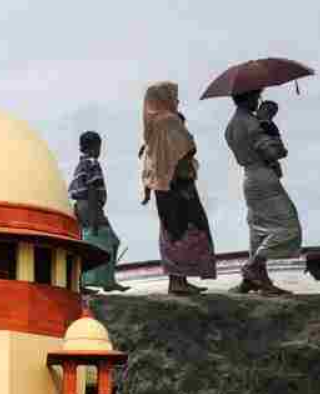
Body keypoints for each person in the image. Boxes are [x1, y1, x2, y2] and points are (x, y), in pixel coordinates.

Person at [140, 82, 216, 295]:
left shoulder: (152, 125)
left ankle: (177, 280)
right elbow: (186, 149)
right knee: (188, 228)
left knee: (171, 230)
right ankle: (178, 282)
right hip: (178, 185)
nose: (177, 100)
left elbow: (151, 159)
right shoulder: (169, 120)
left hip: (163, 187)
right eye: (173, 95)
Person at [225, 89, 302, 296]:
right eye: (257, 96)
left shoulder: (231, 125)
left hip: (249, 177)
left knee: (258, 229)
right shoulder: (252, 122)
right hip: (264, 178)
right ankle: (254, 267)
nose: (258, 101)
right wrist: (268, 124)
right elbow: (274, 152)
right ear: (250, 97)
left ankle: (250, 281)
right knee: (288, 226)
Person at [69, 131, 129, 293]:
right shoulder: (92, 162)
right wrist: (96, 216)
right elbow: (92, 188)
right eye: (99, 146)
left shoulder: (81, 163)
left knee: (101, 241)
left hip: (82, 206)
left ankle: (104, 282)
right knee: (99, 242)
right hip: (90, 206)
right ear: (95, 146)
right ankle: (88, 283)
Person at [256, 100, 284, 178]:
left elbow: (279, 146)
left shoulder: (271, 126)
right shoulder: (252, 122)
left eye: (272, 111)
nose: (270, 113)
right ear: (259, 110)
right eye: (267, 109)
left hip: (271, 164)